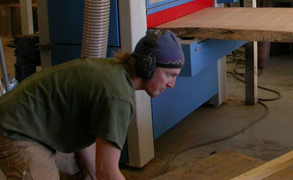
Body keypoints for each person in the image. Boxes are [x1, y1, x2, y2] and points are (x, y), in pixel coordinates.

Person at [0, 28, 184, 179]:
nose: (172, 84)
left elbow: (86, 140)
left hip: (37, 126)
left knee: (81, 170)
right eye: (169, 75)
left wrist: (94, 174)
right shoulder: (118, 96)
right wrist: (100, 174)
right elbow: (108, 171)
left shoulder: (114, 72)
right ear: (147, 66)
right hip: (15, 129)